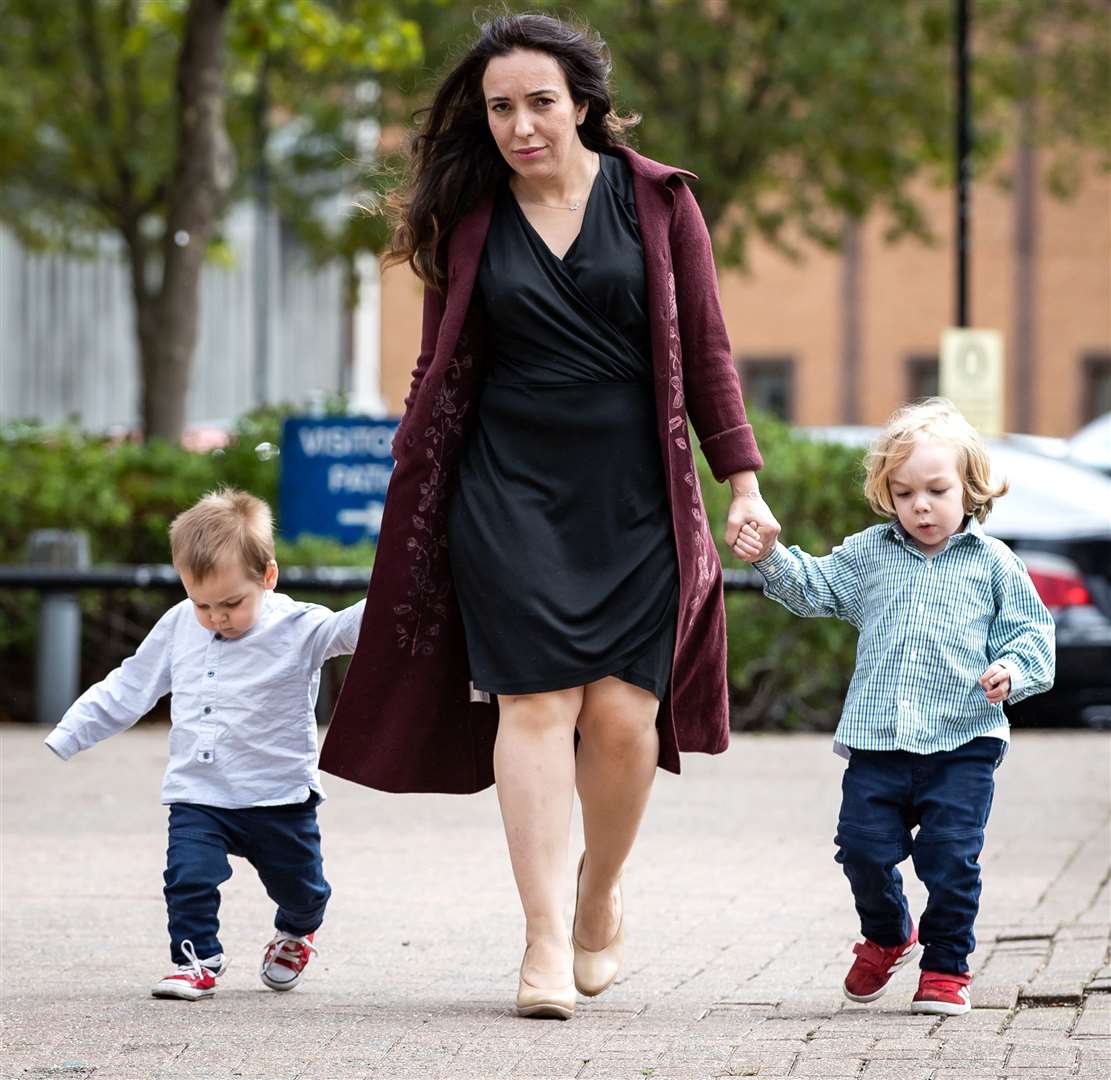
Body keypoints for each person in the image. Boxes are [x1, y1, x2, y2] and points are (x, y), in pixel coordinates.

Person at [320, 13, 779, 1020]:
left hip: (635, 495)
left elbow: (706, 351)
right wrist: (416, 482)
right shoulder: (470, 215)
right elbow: (437, 366)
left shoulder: (658, 202)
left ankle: (597, 893)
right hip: (507, 489)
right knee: (533, 702)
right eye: (500, 107)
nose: (521, 124)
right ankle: (536, 943)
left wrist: (741, 482)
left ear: (582, 103)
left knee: (622, 717)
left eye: (539, 102)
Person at [735, 398, 1055, 1016]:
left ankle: (945, 967)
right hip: (879, 740)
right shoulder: (871, 552)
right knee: (860, 846)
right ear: (887, 495)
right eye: (905, 493)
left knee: (950, 857)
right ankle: (887, 934)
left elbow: (1032, 636)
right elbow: (816, 588)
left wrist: (1011, 671)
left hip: (964, 742)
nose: (922, 506)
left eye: (937, 490)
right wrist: (771, 555)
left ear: (970, 488)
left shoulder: (994, 564)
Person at [44, 488, 365, 1001]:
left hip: (277, 796)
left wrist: (400, 591)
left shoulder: (299, 627)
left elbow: (353, 630)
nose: (216, 617)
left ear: (268, 577)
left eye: (232, 603)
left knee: (303, 890)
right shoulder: (178, 625)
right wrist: (72, 731)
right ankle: (196, 961)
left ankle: (296, 931)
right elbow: (133, 684)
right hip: (201, 791)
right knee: (187, 876)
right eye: (202, 604)